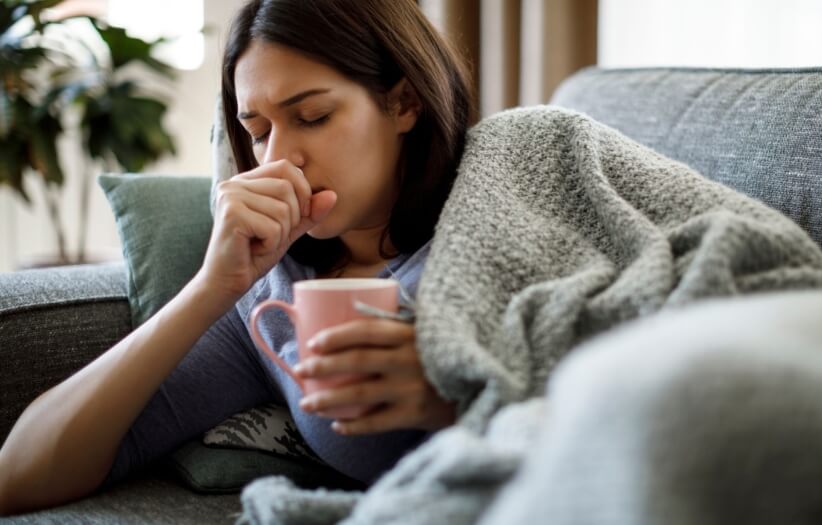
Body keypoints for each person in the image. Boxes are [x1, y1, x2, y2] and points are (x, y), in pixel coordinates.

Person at [0, 0, 473, 515]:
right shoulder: (270, 303)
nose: (277, 159)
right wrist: (210, 288)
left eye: (311, 117)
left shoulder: (502, 213)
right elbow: (18, 476)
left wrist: (457, 401)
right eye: (259, 132)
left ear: (405, 103)